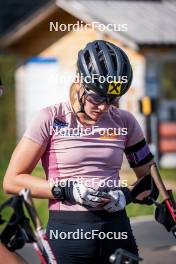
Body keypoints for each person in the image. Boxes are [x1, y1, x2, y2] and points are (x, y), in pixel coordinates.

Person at [2, 40, 158, 264]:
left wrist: (125, 195)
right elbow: (11, 181)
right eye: (96, 97)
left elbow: (151, 182)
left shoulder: (125, 121)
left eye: (112, 98)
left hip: (117, 231)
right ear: (78, 80)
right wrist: (65, 189)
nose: (104, 107)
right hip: (68, 234)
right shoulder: (51, 118)